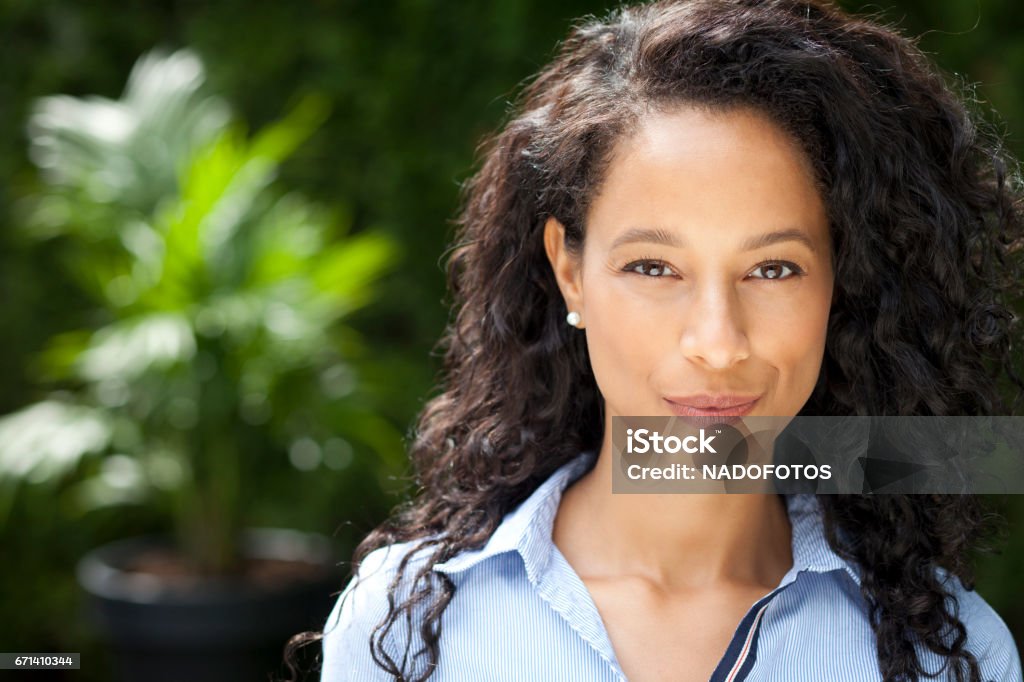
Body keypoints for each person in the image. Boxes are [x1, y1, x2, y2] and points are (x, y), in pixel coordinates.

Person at [295, 0, 1024, 680]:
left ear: (842, 283)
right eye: (654, 267)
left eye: (773, 269)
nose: (717, 341)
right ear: (569, 271)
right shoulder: (404, 628)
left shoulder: (953, 654)